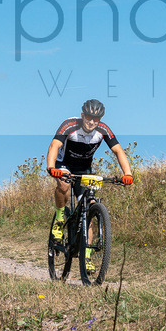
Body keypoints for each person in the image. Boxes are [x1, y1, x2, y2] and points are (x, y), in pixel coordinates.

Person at [47, 99, 134, 257]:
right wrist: (52, 167)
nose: (92, 122)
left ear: (100, 120)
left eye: (96, 119)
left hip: (84, 169)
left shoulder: (103, 130)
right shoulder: (69, 125)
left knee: (90, 207)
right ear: (82, 115)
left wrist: (127, 174)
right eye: (88, 117)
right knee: (64, 186)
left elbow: (118, 151)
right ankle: (59, 218)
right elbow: (54, 145)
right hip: (63, 164)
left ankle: (86, 256)